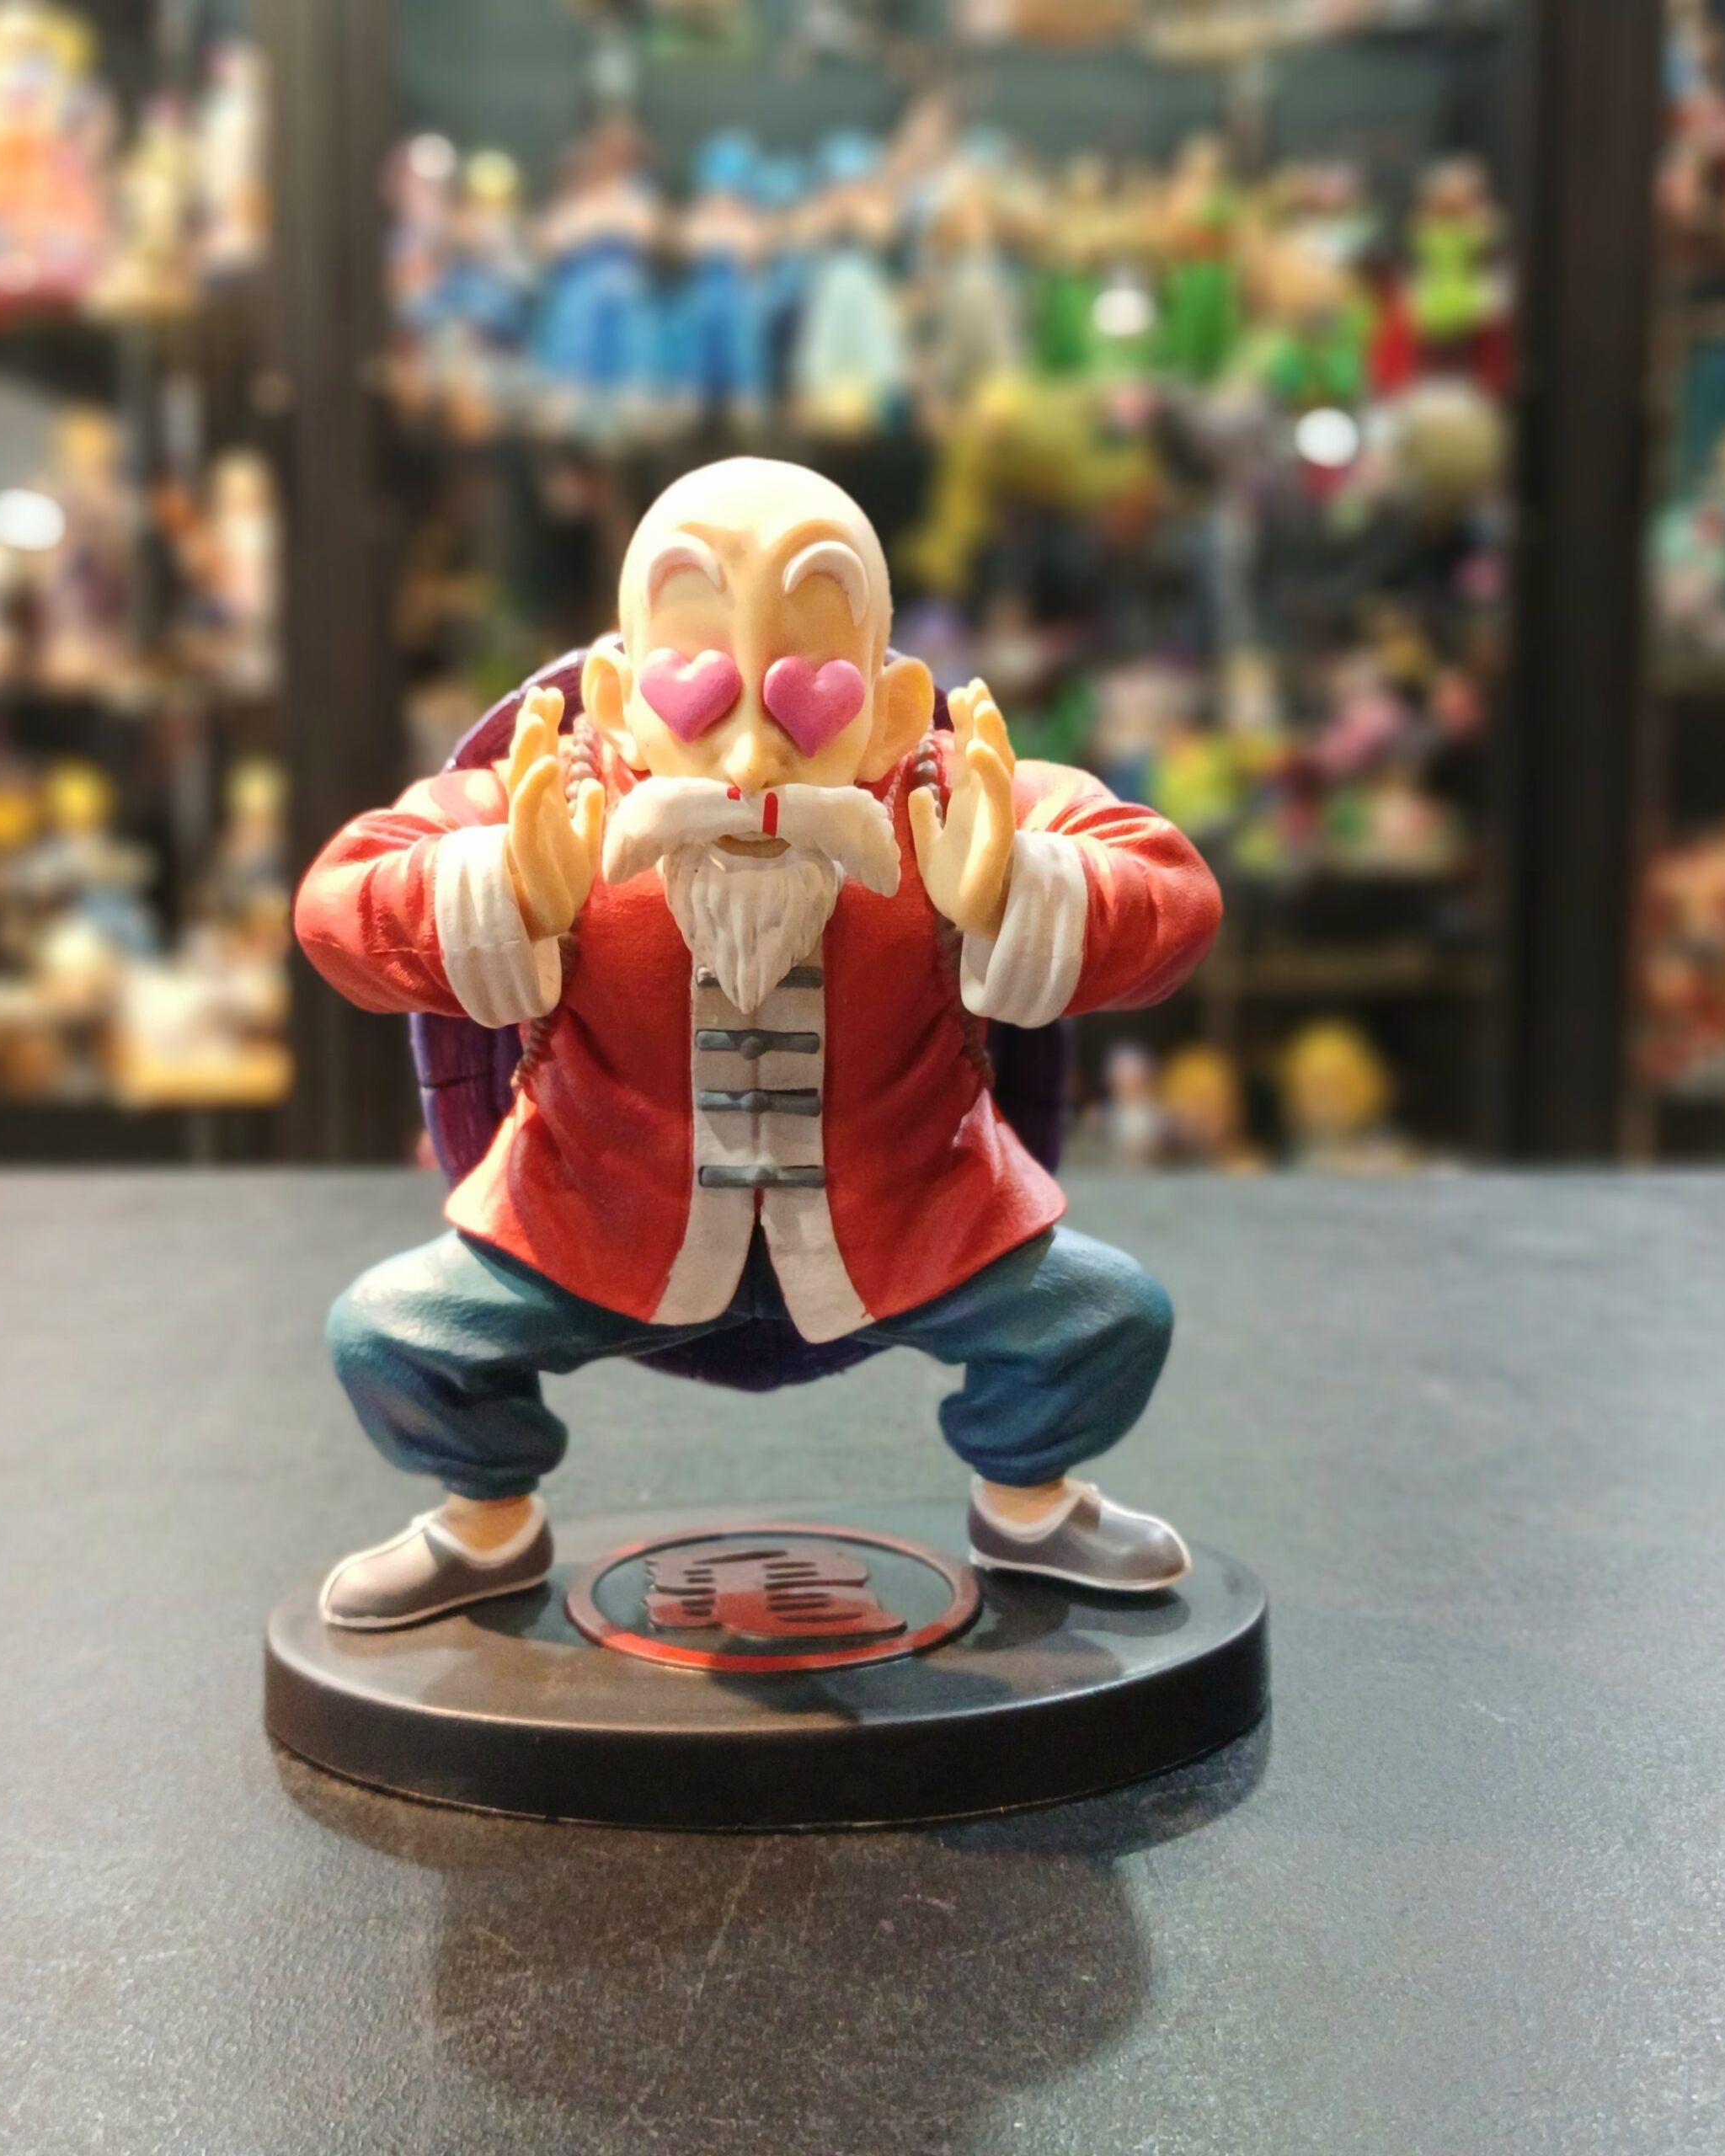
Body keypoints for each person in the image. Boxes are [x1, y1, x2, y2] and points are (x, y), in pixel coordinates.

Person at [294, 457, 1222, 1630]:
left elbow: (1174, 893)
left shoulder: (948, 798)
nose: (748, 764)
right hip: (600, 1224)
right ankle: (487, 1519)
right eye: (702, 692)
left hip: (907, 1219)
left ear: (889, 707)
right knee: (391, 1335)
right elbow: (337, 903)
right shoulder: (554, 799)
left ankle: (1028, 1501)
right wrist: (503, 889)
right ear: (619, 695)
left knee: (1107, 1319)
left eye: (803, 698)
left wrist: (1013, 886)